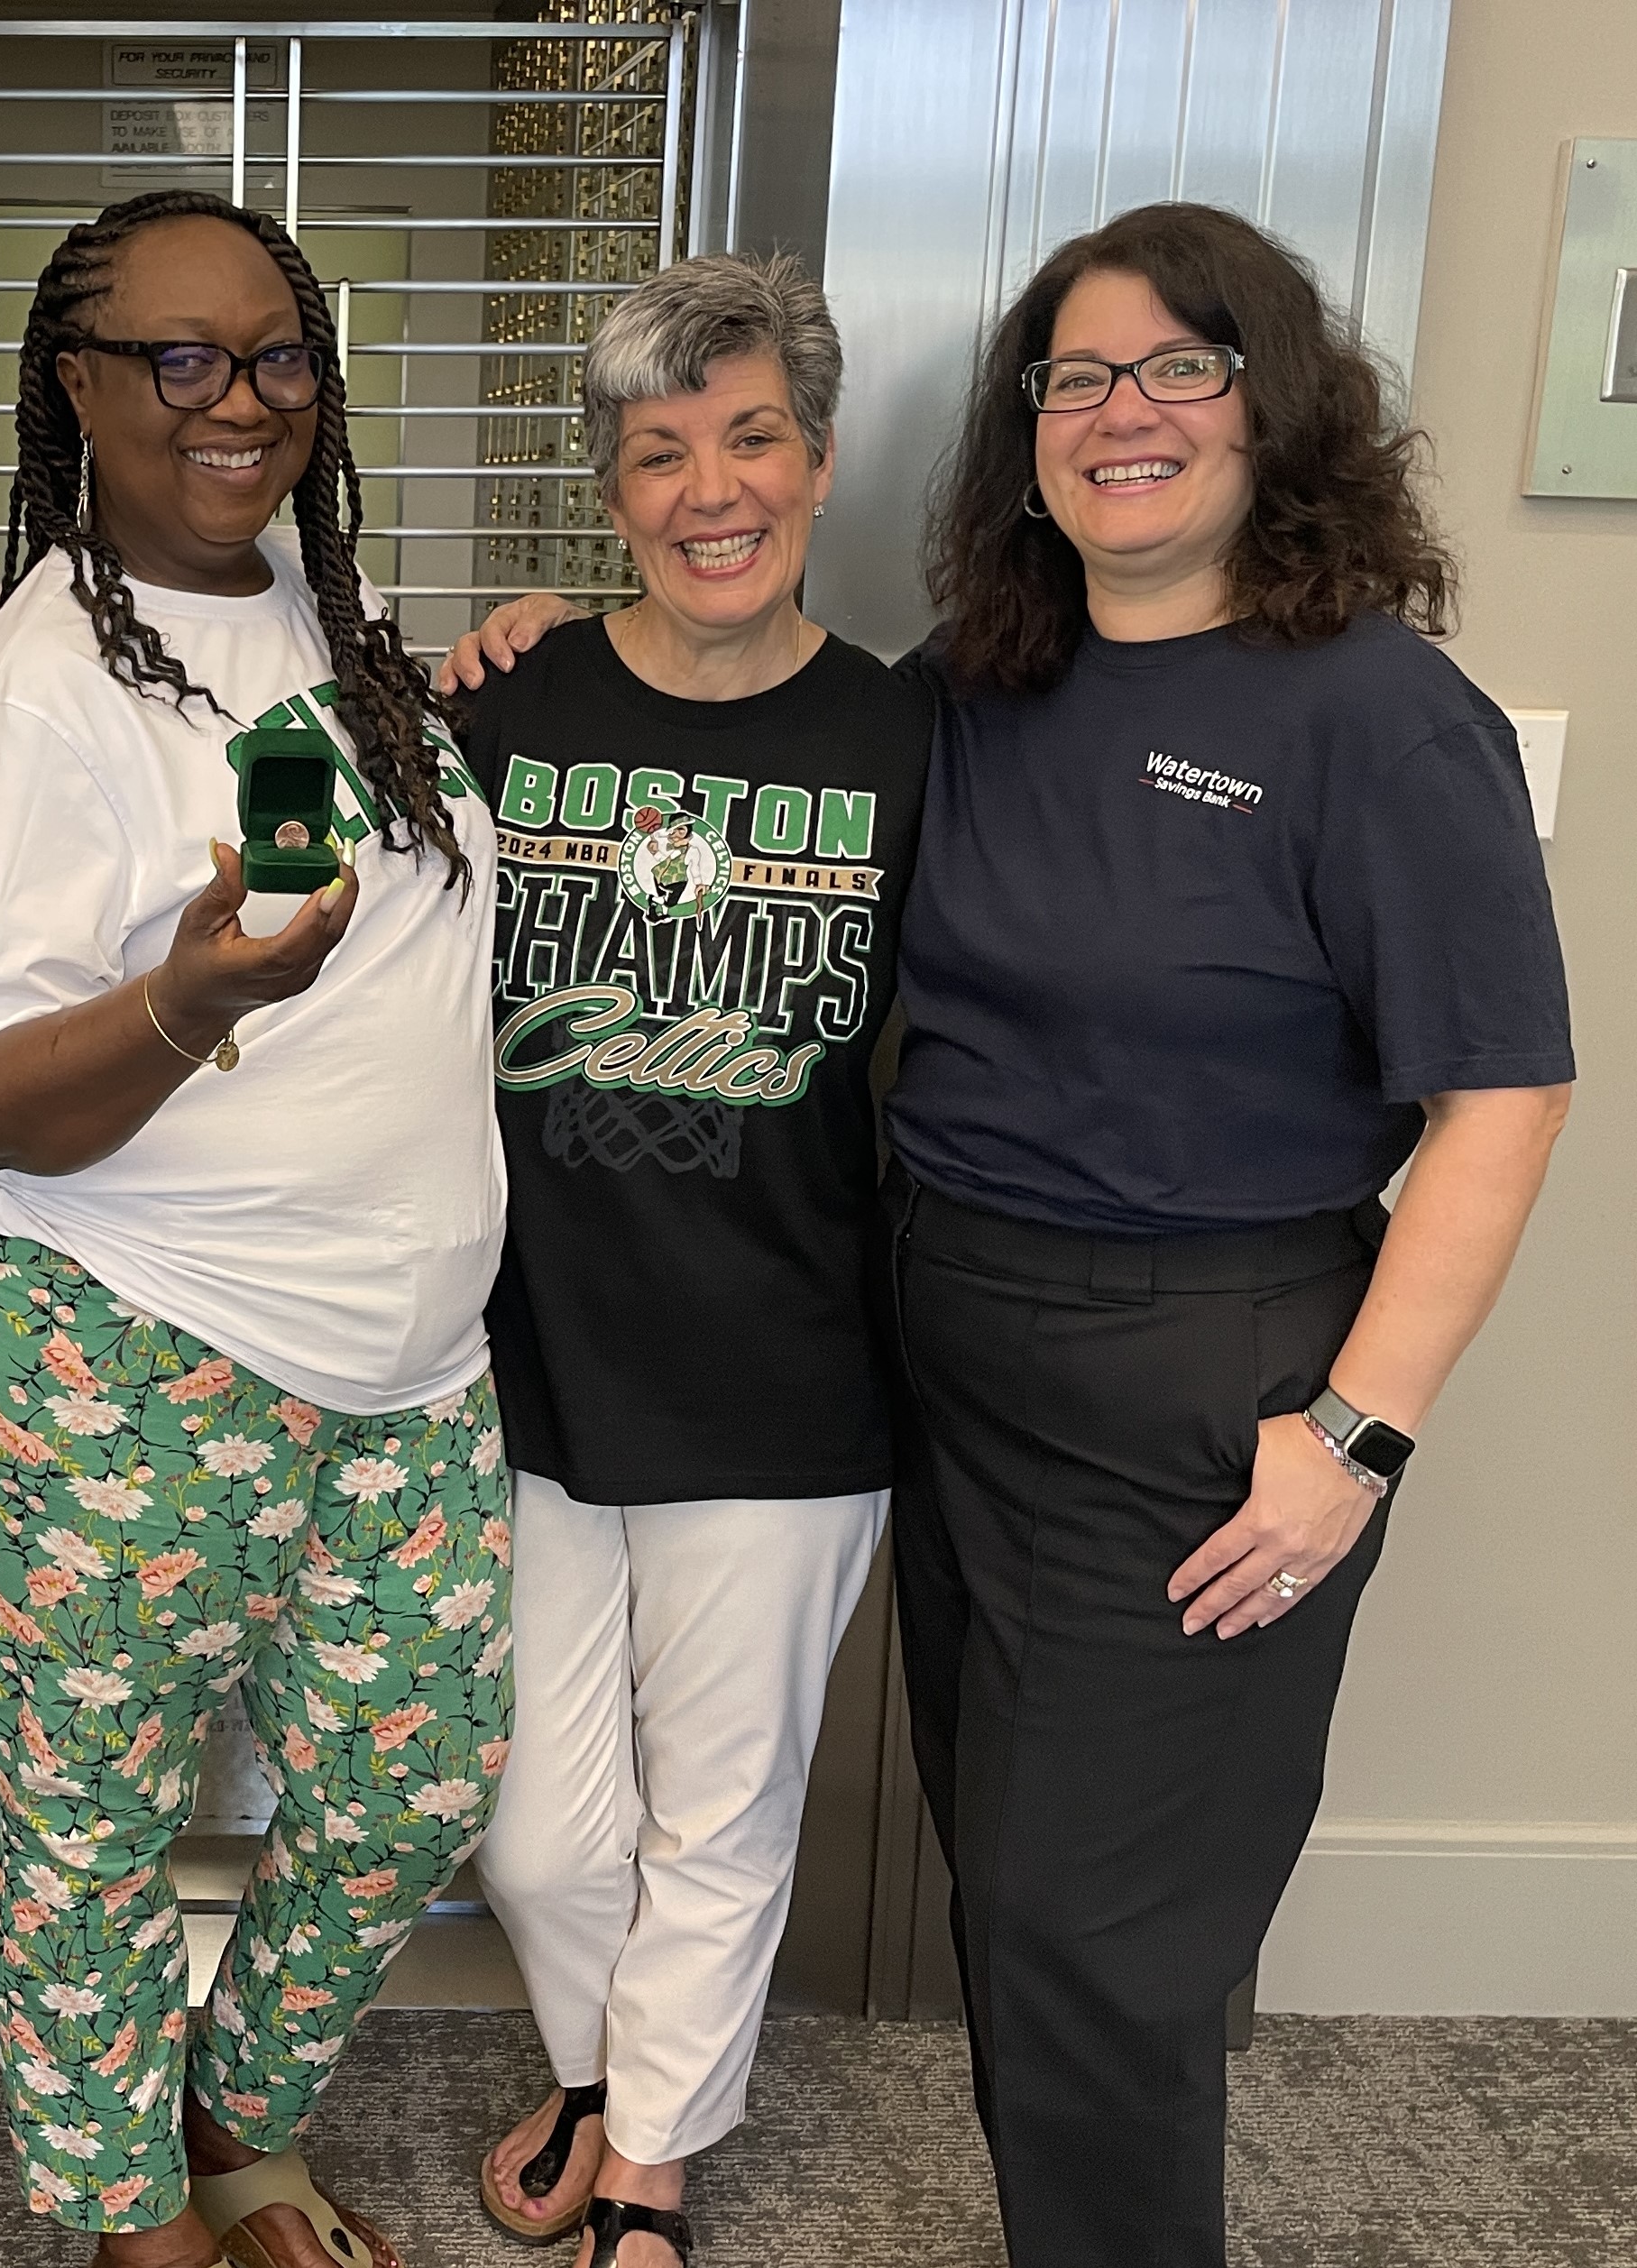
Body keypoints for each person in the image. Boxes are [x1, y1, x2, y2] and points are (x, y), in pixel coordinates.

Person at [448, 200, 1573, 2267]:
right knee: (1011, 1894)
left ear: (1271, 404)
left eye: (1176, 370)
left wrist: (1351, 1432)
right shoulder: (986, 686)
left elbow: (1500, 1093)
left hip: (1204, 1384)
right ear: (1018, 426)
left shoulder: (1377, 717)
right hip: (946, 1358)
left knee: (1090, 1939)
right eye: (1072, 376)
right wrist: (527, 628)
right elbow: (703, 717)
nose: (1119, 414)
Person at [0, 189, 511, 2268]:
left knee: (410, 1787)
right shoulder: (26, 700)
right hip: (119, 1350)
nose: (235, 403)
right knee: (94, 1842)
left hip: (402, 1369)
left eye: (274, 356)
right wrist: (190, 1002)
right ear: (73, 386)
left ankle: (227, 2112)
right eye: (175, 358)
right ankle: (127, 2217)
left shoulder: (325, 624)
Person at [422, 253, 931, 2268]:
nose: (708, 487)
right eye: (658, 453)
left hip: (790, 1374)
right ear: (609, 488)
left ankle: (642, 2163)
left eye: (749, 439)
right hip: (523, 1358)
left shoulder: (908, 742)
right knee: (538, 1831)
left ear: (814, 462)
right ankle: (614, 2062)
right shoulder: (499, 704)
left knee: (720, 1811)